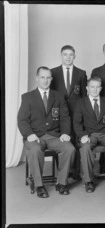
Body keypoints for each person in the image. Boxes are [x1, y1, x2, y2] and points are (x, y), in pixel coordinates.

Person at [17, 66, 75, 198]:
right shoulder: (28, 97)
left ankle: (61, 183)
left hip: (54, 136)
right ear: (37, 78)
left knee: (69, 149)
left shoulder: (59, 96)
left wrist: (66, 132)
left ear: (51, 79)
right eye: (42, 77)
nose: (45, 80)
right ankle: (39, 185)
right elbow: (22, 120)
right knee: (35, 150)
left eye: (48, 77)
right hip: (35, 137)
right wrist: (29, 134)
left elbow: (65, 117)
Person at [73, 77, 105, 192]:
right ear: (87, 88)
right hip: (89, 134)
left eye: (97, 87)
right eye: (92, 87)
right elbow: (76, 122)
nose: (95, 89)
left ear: (101, 88)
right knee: (85, 148)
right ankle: (88, 181)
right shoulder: (81, 103)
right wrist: (82, 135)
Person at [50, 45, 88, 180]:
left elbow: (84, 96)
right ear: (61, 55)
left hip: (76, 113)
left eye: (70, 55)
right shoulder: (53, 73)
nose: (68, 57)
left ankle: (76, 172)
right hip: (59, 115)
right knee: (61, 141)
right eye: (65, 54)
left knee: (77, 141)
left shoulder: (81, 73)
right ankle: (62, 172)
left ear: (74, 56)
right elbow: (51, 96)